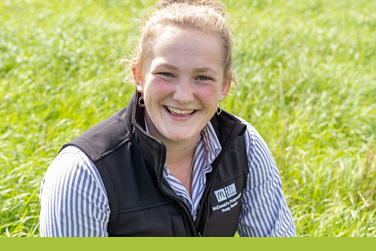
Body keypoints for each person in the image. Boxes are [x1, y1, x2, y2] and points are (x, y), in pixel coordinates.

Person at [39, 0, 296, 237]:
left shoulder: (244, 145)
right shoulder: (83, 174)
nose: (183, 96)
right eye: (166, 74)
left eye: (202, 77)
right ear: (139, 76)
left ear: (224, 87)